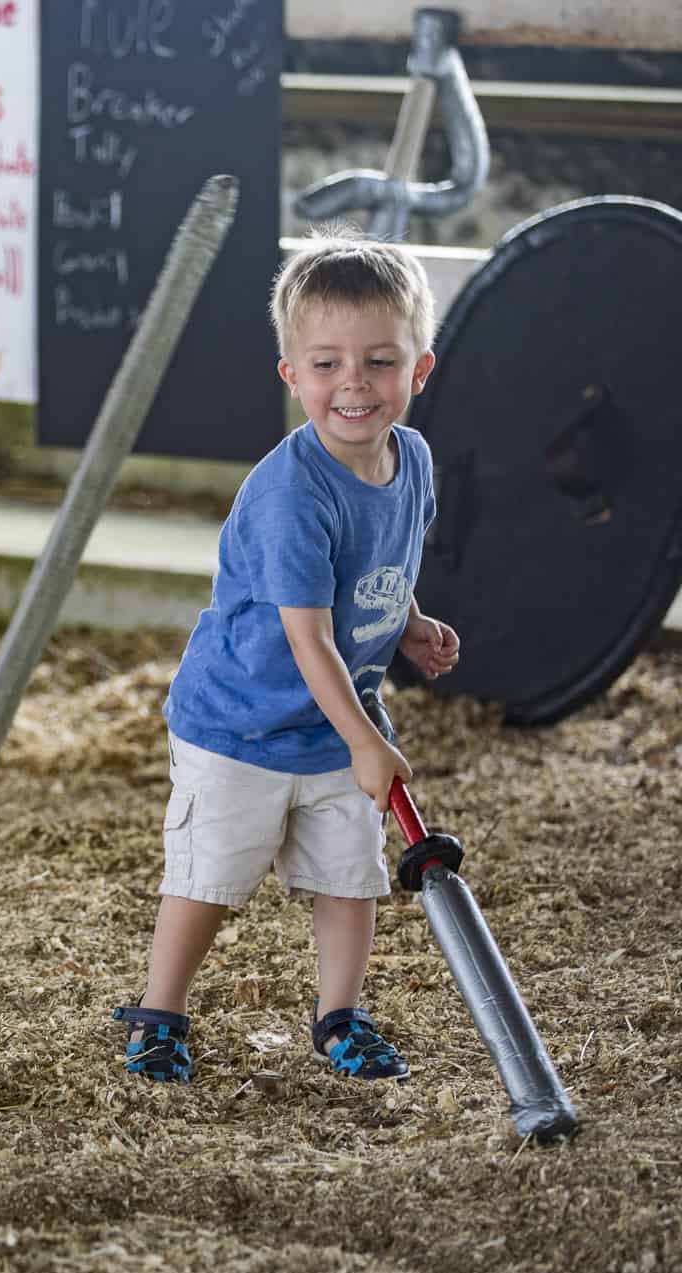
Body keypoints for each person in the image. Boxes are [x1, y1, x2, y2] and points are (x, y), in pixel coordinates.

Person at [111, 228, 461, 1086]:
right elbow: (307, 637)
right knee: (211, 877)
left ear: (419, 369)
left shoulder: (410, 461)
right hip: (244, 725)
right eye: (328, 364)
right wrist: (368, 742)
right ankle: (160, 1013)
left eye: (380, 362)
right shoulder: (290, 495)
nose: (354, 385)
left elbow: (379, 567)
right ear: (293, 375)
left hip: (338, 724)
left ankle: (339, 1017)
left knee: (351, 878)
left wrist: (407, 621)